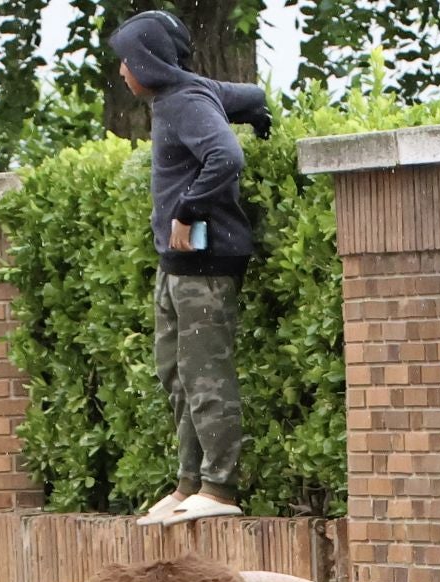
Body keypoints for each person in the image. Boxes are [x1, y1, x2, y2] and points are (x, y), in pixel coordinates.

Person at [108, 10, 270, 528]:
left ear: (149, 63)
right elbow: (247, 95)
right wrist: (259, 113)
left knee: (205, 374)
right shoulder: (187, 94)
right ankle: (188, 483)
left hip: (205, 262)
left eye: (127, 62)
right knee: (175, 373)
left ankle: (219, 488)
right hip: (176, 264)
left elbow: (225, 156)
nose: (122, 73)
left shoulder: (184, 101)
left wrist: (187, 209)